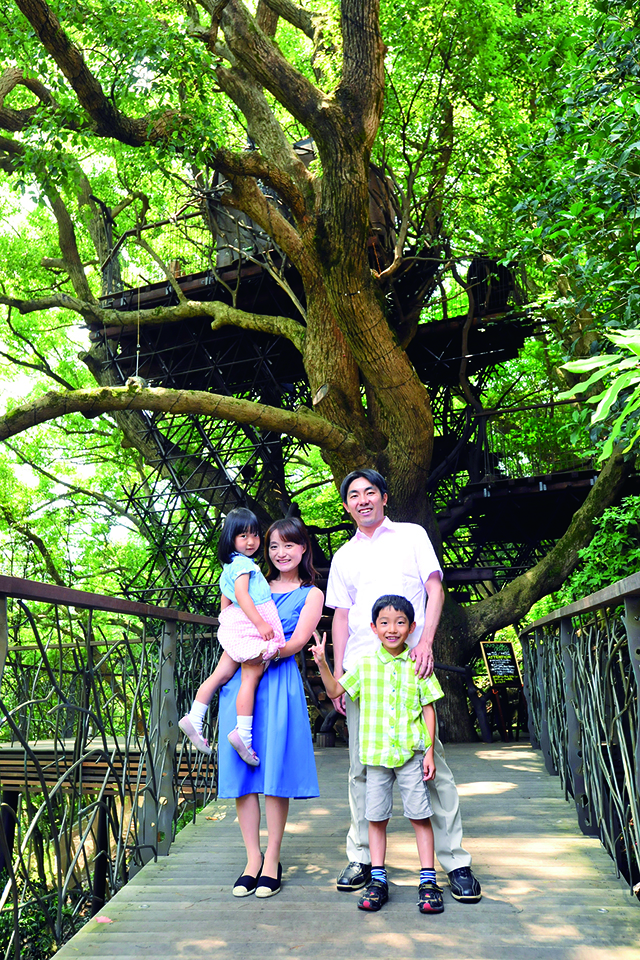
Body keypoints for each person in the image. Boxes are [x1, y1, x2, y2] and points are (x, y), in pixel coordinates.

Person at [326, 469, 482, 904]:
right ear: (346, 505)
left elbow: (435, 588)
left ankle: (455, 862)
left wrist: (426, 641)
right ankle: (361, 857)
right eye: (353, 495)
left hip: (412, 664)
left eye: (369, 492)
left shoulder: (412, 535)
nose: (362, 500)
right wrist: (339, 671)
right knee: (361, 768)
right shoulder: (343, 556)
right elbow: (341, 615)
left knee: (432, 766)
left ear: (384, 497)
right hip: (363, 672)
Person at [312, 595, 446, 914]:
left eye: (400, 622)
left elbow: (429, 710)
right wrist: (322, 663)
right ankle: (378, 879)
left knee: (420, 815)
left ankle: (428, 881)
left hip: (411, 755)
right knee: (375, 818)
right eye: (384, 622)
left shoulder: (418, 665)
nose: (392, 629)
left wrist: (429, 752)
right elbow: (335, 691)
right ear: (373, 628)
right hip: (376, 758)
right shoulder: (365, 665)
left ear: (412, 627)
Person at [218, 517, 323, 898]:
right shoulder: (250, 580)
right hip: (241, 681)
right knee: (243, 774)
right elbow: (226, 619)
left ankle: (273, 858)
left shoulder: (311, 593)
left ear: (303, 548)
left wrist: (265, 652)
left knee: (274, 770)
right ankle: (252, 858)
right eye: (274, 546)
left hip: (277, 678)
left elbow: (297, 641)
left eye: (289, 545)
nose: (281, 553)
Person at [180, 507, 285, 767]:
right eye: (243, 536)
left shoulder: (229, 566)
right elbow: (241, 595)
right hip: (251, 626)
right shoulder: (244, 565)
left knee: (220, 675)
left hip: (239, 626)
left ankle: (195, 716)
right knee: (251, 677)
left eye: (255, 535)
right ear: (231, 538)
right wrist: (259, 623)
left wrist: (231, 626)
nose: (251, 541)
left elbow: (225, 603)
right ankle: (243, 734)